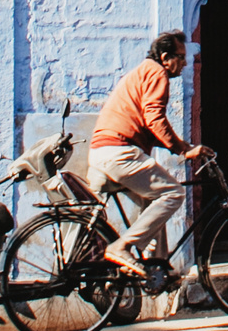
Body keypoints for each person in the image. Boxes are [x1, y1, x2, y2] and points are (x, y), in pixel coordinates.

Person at [89, 30, 208, 278]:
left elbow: (150, 127)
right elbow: (154, 118)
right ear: (165, 57)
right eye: (181, 57)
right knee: (174, 192)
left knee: (154, 203)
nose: (185, 63)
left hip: (105, 152)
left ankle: (158, 269)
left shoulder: (142, 72)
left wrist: (184, 147)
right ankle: (122, 247)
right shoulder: (157, 73)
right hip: (120, 151)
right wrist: (180, 150)